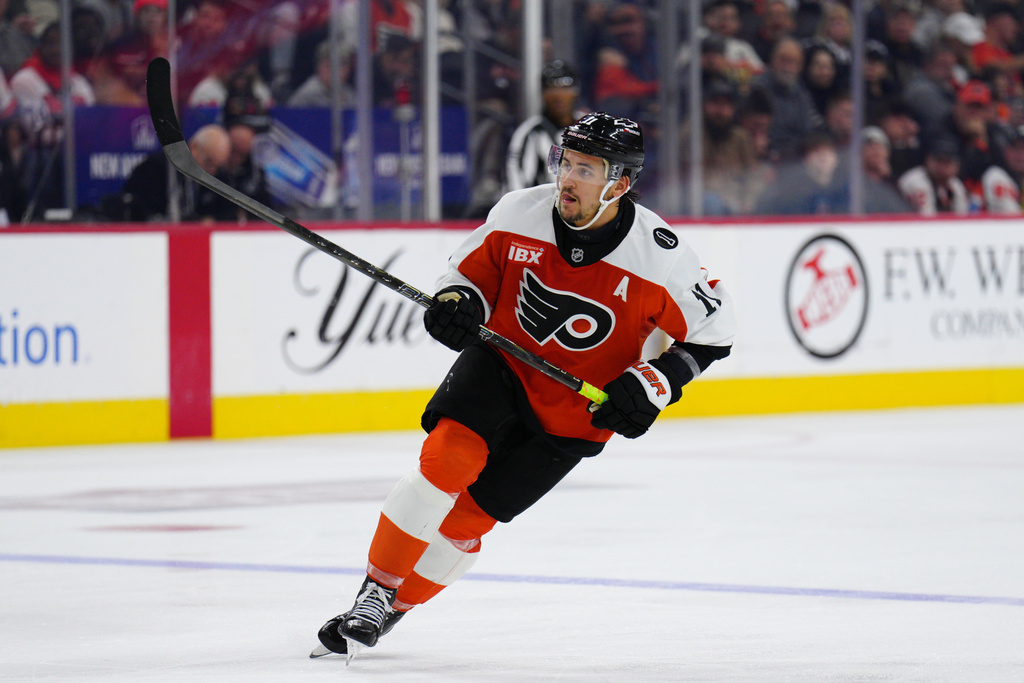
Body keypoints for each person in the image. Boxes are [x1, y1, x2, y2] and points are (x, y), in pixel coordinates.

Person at [313, 112, 736, 657]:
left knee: (470, 519)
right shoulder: (520, 212)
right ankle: (374, 593)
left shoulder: (661, 257)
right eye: (567, 162)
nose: (568, 177)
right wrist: (459, 302)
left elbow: (714, 332)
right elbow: (465, 274)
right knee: (447, 461)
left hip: (576, 414)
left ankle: (393, 608)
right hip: (502, 368)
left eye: (587, 168)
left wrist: (656, 382)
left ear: (621, 184)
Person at [505, 60, 583, 191]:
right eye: (552, 88)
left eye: (565, 88)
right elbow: (515, 180)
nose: (558, 95)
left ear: (576, 91)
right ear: (543, 93)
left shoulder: (590, 129)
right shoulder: (529, 133)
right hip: (541, 208)